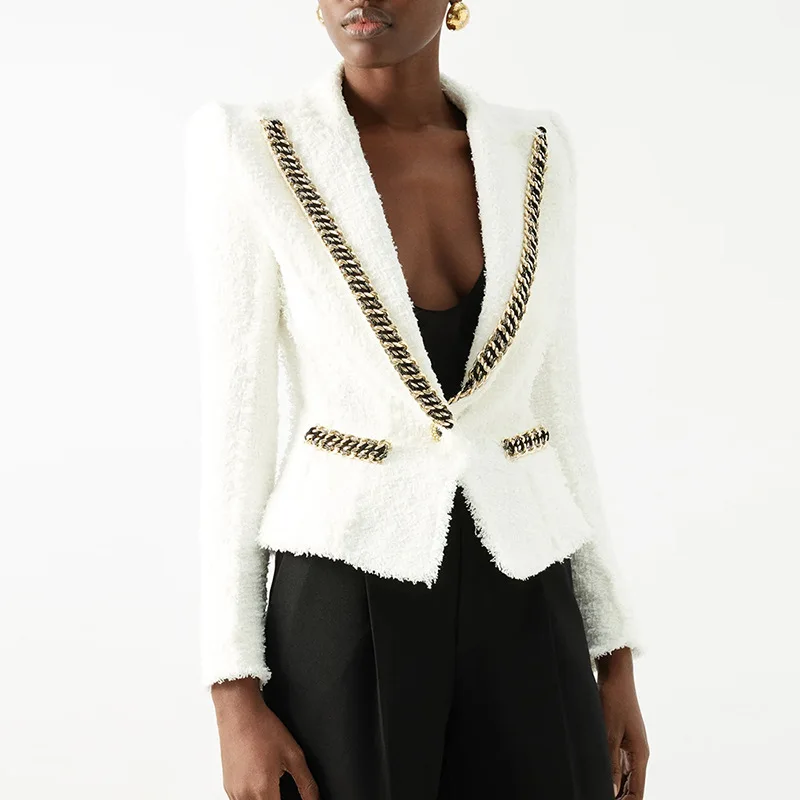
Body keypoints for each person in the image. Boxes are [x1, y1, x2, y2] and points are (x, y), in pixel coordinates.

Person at [183, 2, 650, 798]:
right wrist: (233, 694)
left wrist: (615, 656)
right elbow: (236, 429)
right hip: (344, 590)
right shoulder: (254, 144)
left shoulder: (535, 148)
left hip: (528, 591)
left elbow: (556, 407)